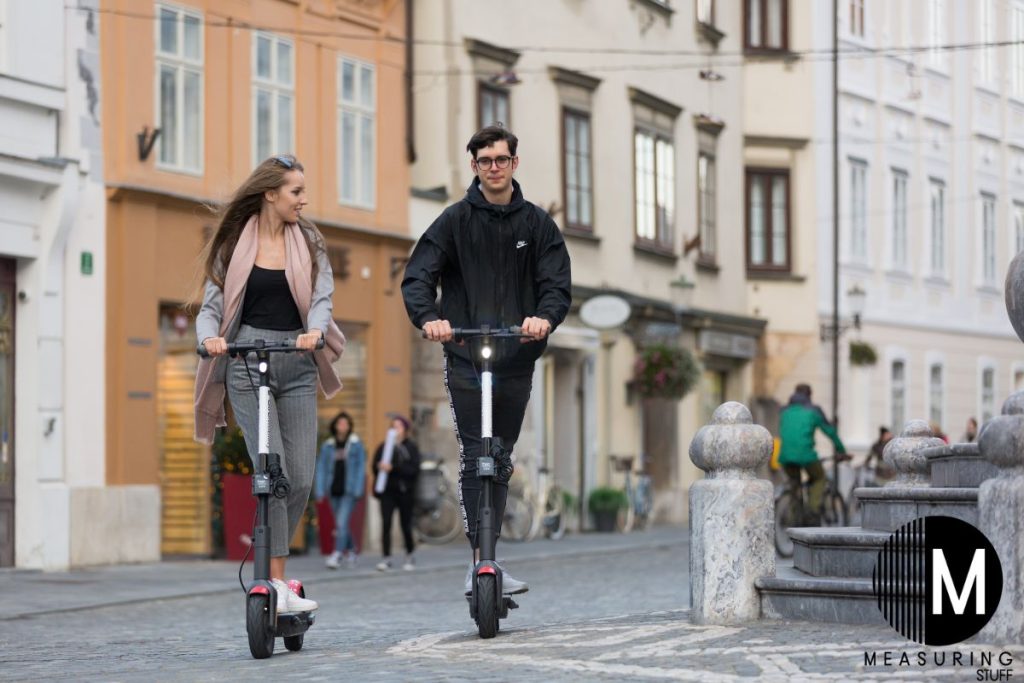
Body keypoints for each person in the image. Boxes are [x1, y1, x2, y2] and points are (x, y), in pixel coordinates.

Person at [401, 125, 572, 595]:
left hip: (516, 356)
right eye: (484, 161)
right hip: (466, 356)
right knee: (476, 453)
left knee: (500, 455)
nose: (493, 168)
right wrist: (430, 317)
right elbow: (418, 276)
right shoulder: (455, 221)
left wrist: (544, 317)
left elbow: (556, 283)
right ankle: (481, 560)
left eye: (501, 159)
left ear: (514, 163)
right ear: (474, 166)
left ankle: (492, 555)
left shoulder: (537, 225)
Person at [193, 154, 346, 614]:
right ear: (271, 194)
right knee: (271, 473)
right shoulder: (234, 244)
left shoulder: (311, 242)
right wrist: (210, 339)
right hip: (245, 361)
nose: (304, 199)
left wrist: (315, 332)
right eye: (296, 191)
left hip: (297, 360)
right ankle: (275, 583)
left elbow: (322, 300)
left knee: (300, 477)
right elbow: (209, 308)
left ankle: (278, 581)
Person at [777, 383, 847, 526]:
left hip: (784, 457)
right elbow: (830, 432)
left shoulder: (784, 410)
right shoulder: (814, 410)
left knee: (794, 484)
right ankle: (812, 512)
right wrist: (841, 451)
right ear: (809, 395)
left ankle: (793, 518)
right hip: (806, 455)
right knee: (819, 477)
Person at [315, 411, 366, 569]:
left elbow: (360, 468)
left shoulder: (356, 445)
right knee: (341, 524)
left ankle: (337, 555)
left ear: (350, 426)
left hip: (349, 491)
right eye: (340, 423)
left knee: (341, 523)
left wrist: (358, 489)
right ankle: (352, 551)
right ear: (335, 426)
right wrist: (320, 490)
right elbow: (321, 468)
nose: (343, 426)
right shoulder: (328, 446)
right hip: (333, 489)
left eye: (346, 423)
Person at [371, 415, 421, 572]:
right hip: (387, 492)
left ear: (405, 430)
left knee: (405, 524)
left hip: (405, 492)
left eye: (398, 426)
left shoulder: (410, 448)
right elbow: (374, 466)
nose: (395, 429)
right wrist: (380, 466)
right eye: (393, 426)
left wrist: (394, 468)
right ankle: (386, 558)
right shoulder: (384, 447)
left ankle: (409, 554)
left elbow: (414, 470)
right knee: (386, 524)